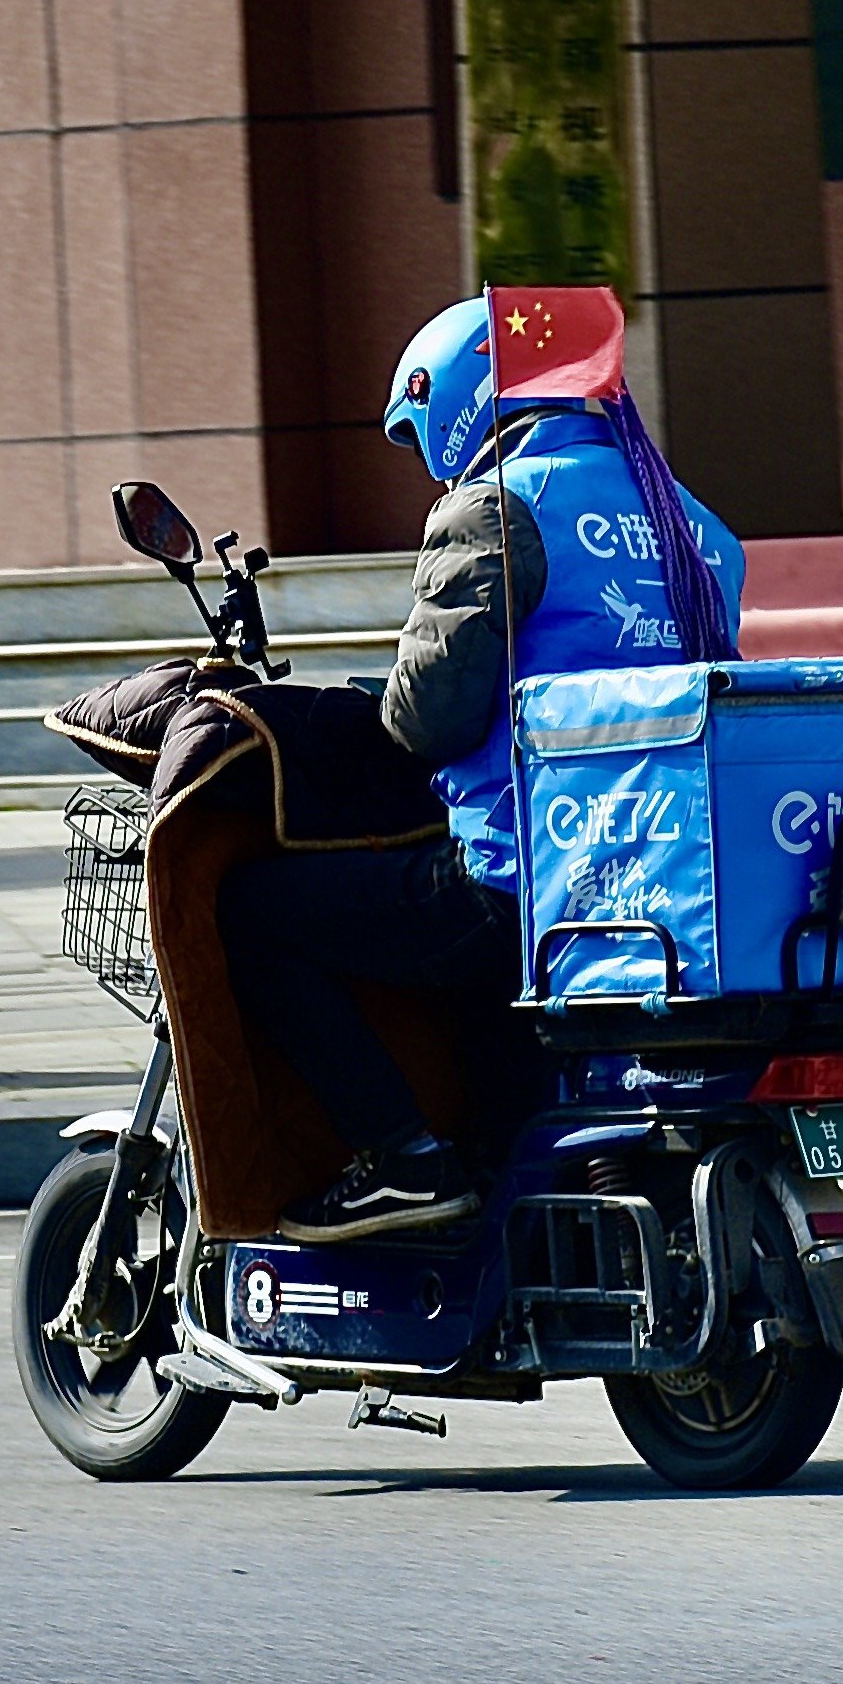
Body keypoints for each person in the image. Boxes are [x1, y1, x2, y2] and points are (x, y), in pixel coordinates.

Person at [216, 294, 746, 1242]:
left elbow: (428, 718)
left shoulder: (500, 509)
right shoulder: (695, 524)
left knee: (254, 912)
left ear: (455, 399)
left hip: (530, 875)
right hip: (667, 882)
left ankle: (402, 1160)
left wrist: (378, 708)